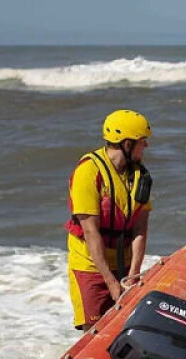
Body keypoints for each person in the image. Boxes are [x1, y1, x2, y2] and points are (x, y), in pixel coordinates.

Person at [65, 110, 153, 330]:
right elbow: (90, 232)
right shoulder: (88, 171)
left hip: (123, 263)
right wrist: (111, 283)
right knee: (94, 333)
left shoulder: (140, 176)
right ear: (126, 143)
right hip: (91, 265)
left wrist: (133, 275)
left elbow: (140, 228)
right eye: (142, 142)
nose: (146, 147)